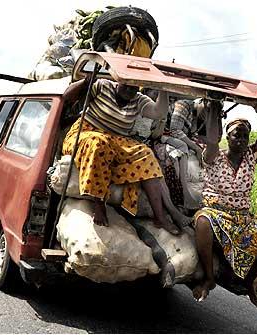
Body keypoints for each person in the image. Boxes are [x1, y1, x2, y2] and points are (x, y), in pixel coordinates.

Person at [192, 103, 257, 309]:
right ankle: (208, 279)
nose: (241, 140)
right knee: (203, 223)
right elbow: (212, 141)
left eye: (244, 136)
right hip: (215, 213)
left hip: (242, 218)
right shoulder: (214, 155)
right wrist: (214, 108)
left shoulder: (252, 156)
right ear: (227, 136)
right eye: (236, 135)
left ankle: (248, 282)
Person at [61, 77, 180, 235]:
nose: (130, 90)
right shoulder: (103, 86)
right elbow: (67, 96)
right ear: (119, 80)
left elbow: (159, 112)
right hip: (87, 133)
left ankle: (160, 217)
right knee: (99, 144)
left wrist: (163, 87)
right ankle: (99, 203)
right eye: (126, 85)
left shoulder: (138, 100)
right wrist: (86, 81)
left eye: (134, 87)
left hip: (117, 140)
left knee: (146, 154)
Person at [165, 98, 216, 208]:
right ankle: (186, 197)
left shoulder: (199, 117)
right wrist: (196, 148)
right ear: (203, 101)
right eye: (208, 110)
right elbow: (175, 130)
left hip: (182, 141)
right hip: (166, 135)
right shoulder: (183, 105)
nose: (208, 115)